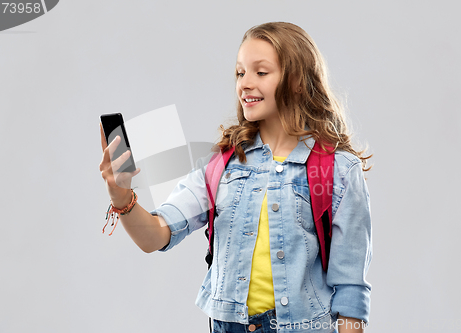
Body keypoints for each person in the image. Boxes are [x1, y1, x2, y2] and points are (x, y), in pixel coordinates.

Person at [99, 22, 372, 333]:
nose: (245, 83)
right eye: (240, 73)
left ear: (297, 81)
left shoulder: (338, 169)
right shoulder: (222, 164)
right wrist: (122, 198)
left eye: (261, 72)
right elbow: (156, 236)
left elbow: (351, 290)